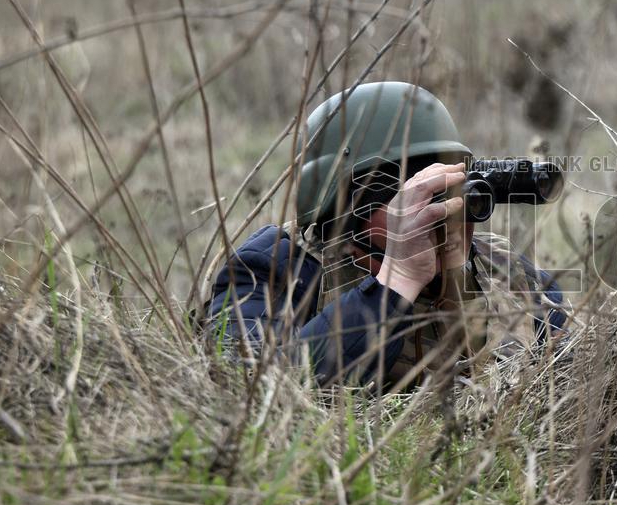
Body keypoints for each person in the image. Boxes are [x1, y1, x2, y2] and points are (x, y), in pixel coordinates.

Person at [205, 81, 567, 389]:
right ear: (346, 207)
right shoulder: (273, 269)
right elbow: (248, 386)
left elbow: (568, 395)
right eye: (416, 196)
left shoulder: (511, 277)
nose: (443, 214)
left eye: (451, 192)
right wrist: (397, 281)